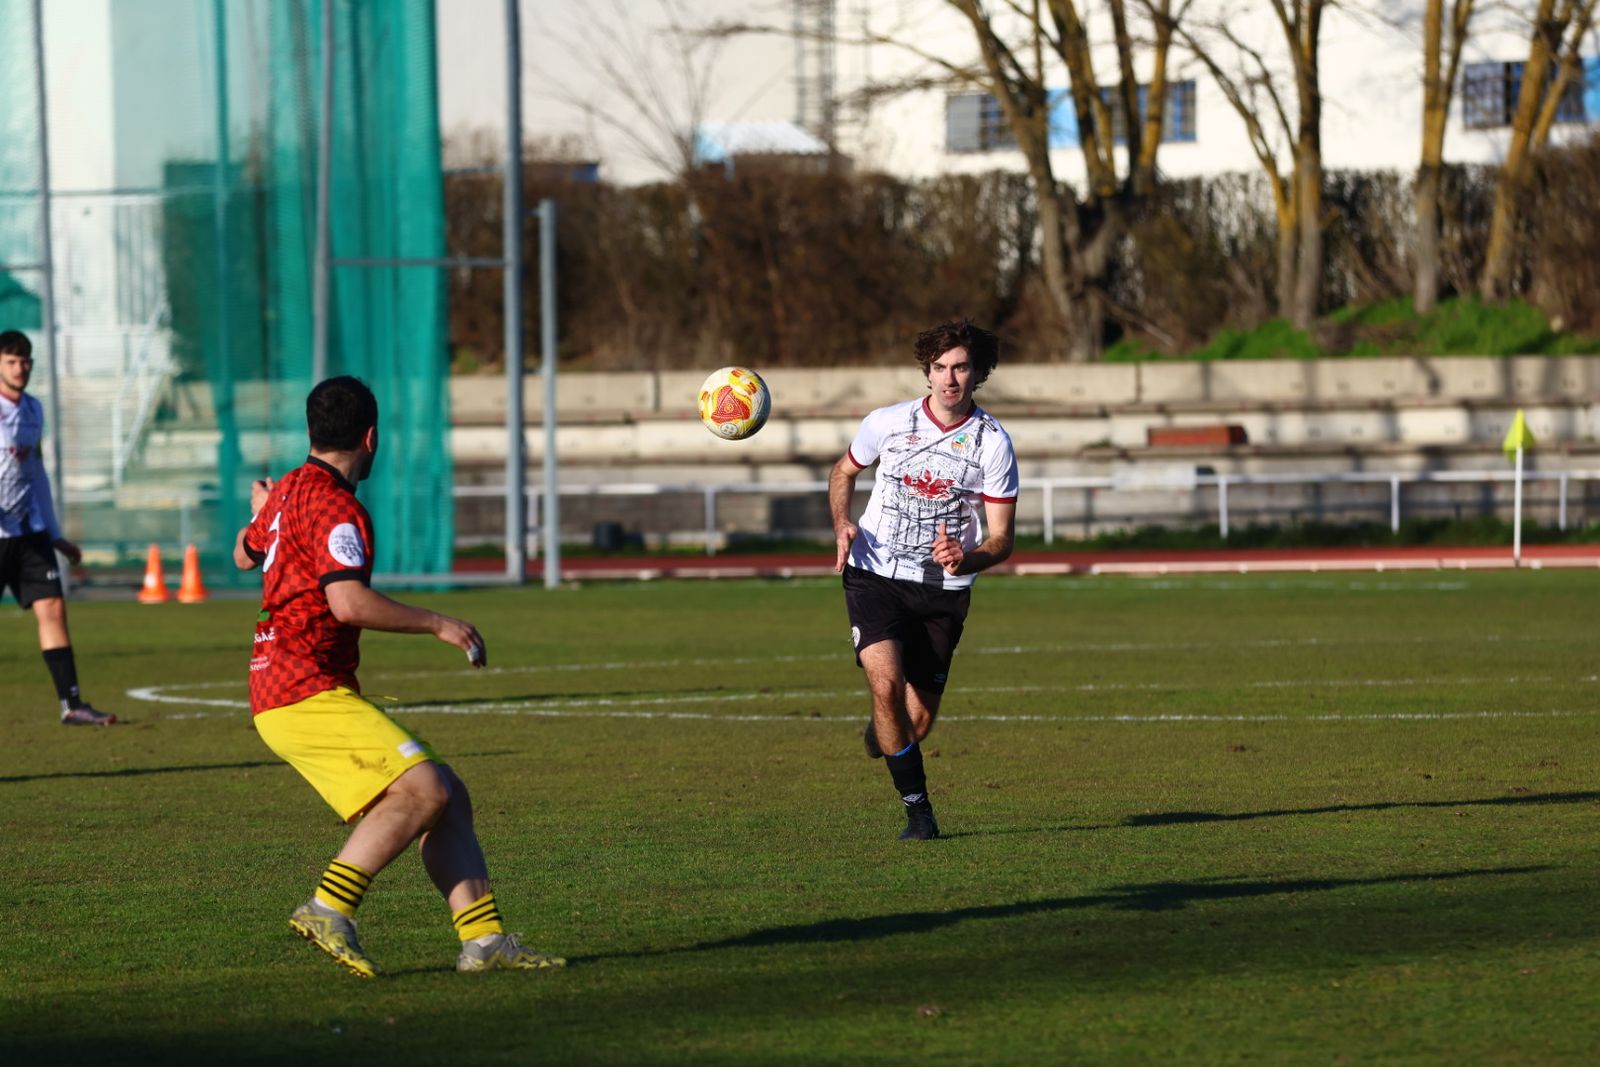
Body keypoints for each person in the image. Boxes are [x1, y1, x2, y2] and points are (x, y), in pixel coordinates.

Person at [233, 375, 564, 977]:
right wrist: (438, 622)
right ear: (371, 437)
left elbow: (242, 553)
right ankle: (328, 907)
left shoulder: (286, 492)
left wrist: (262, 509)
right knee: (425, 792)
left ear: (311, 432)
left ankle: (483, 940)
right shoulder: (337, 507)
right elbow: (349, 604)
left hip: (284, 688)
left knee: (447, 793)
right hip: (303, 690)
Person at [829, 319, 1018, 841]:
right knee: (885, 685)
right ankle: (919, 811)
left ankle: (885, 729)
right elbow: (843, 473)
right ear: (927, 372)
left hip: (943, 591)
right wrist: (842, 523)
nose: (949, 379)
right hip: (875, 572)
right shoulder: (887, 423)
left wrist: (967, 557)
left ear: (978, 372)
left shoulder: (993, 444)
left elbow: (1001, 540)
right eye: (939, 368)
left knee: (916, 723)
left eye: (960, 367)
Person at [0, 329, 115, 726]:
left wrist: (54, 533)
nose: (21, 368)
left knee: (53, 609)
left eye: (25, 361)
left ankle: (72, 705)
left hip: (29, 532)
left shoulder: (33, 410)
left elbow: (36, 474)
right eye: (12, 361)